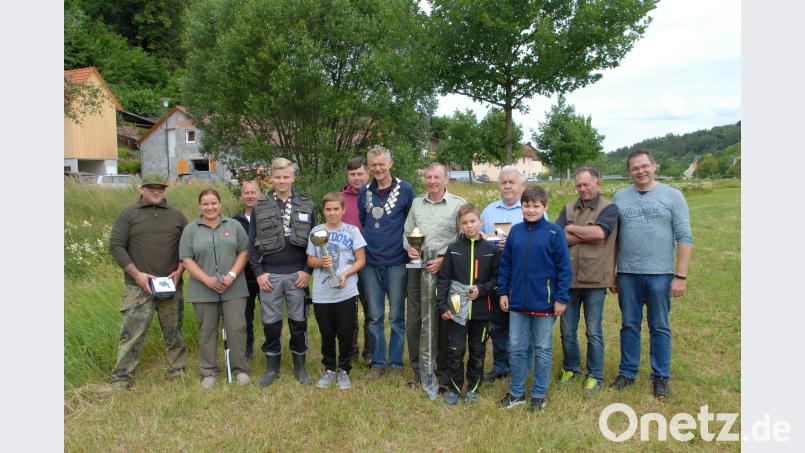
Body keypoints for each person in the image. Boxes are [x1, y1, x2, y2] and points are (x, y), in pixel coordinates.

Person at [610, 150, 693, 401]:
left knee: (659, 326)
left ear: (654, 166)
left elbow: (684, 237)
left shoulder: (673, 196)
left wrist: (680, 277)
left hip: (660, 274)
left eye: (644, 166)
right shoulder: (620, 198)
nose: (640, 171)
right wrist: (612, 272)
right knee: (629, 324)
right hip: (628, 273)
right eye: (635, 168)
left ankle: (661, 377)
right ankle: (627, 372)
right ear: (629, 172)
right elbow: (614, 239)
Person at [107, 173, 188, 389]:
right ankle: (121, 378)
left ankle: (177, 373)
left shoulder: (177, 216)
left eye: (161, 188)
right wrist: (137, 275)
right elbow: (116, 246)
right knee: (132, 334)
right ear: (141, 189)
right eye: (151, 187)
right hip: (138, 287)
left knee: (174, 333)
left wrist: (179, 271)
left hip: (170, 285)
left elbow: (189, 247)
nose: (156, 191)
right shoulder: (128, 215)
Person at [497, 186, 571, 412]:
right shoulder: (516, 232)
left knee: (542, 348)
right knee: (516, 347)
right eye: (527, 205)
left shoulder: (555, 233)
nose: (531, 210)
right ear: (521, 207)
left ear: (545, 207)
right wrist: (503, 292)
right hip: (517, 302)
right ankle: (517, 393)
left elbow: (564, 268)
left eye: (536, 206)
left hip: (545, 303)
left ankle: (539, 395)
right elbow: (506, 265)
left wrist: (561, 298)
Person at [248, 157, 317, 386]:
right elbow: (251, 244)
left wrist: (307, 270)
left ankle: (300, 368)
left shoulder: (307, 204)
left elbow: (315, 241)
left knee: (299, 322)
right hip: (270, 276)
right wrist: (259, 272)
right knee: (271, 323)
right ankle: (272, 369)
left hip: (298, 275)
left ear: (293, 177)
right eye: (277, 177)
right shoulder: (260, 206)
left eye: (286, 176)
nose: (282, 181)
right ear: (271, 179)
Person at [402, 162, 465, 399]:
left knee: (443, 321)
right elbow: (407, 233)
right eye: (428, 177)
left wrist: (443, 260)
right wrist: (410, 248)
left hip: (444, 271)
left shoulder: (458, 205)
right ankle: (420, 373)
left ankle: (442, 376)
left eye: (437, 177)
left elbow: (463, 239)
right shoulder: (417, 203)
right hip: (417, 269)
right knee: (415, 319)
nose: (432, 181)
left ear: (446, 179)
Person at [554, 167, 619, 395]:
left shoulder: (609, 208)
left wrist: (571, 228)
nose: (582, 189)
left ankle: (595, 374)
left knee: (593, 330)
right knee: (567, 330)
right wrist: (585, 233)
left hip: (595, 279)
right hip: (568, 280)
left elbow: (600, 235)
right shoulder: (568, 208)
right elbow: (557, 237)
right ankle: (571, 369)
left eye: (586, 184)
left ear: (597, 183)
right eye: (579, 185)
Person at [180, 188, 251, 389]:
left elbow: (244, 251)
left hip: (234, 287)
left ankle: (240, 369)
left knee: (237, 328)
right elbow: (186, 258)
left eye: (213, 203)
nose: (210, 207)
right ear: (200, 206)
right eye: (205, 204)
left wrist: (231, 276)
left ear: (220, 204)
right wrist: (206, 280)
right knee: (207, 330)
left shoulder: (234, 225)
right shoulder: (191, 230)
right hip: (203, 289)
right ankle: (208, 371)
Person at [358, 145, 416, 380]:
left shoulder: (405, 189)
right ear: (369, 167)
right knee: (374, 317)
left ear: (390, 164)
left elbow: (412, 221)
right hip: (370, 264)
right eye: (373, 165)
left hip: (397, 263)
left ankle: (395, 364)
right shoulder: (365, 191)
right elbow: (364, 221)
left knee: (396, 317)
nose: (378, 168)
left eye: (382, 164)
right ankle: (378, 362)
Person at [436, 204, 499, 405]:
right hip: (456, 311)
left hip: (481, 311)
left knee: (477, 351)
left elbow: (497, 279)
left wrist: (482, 289)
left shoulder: (491, 250)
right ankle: (454, 389)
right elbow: (443, 280)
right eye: (464, 223)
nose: (469, 226)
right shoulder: (453, 250)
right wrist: (442, 306)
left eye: (473, 221)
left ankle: (473, 389)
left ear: (481, 222)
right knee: (455, 351)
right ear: (459, 225)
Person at [306, 192, 367, 390]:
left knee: (346, 332)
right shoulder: (316, 231)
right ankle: (329, 369)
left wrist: (345, 274)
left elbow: (361, 260)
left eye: (336, 209)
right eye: (328, 209)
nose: (332, 213)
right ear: (323, 210)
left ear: (343, 210)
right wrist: (321, 262)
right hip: (322, 293)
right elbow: (310, 260)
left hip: (346, 291)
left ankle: (344, 370)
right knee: (327, 333)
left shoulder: (352, 231)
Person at [478, 166, 533, 383]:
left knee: (523, 323)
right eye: (503, 182)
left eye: (512, 182)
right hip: (495, 274)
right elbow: (479, 237)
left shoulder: (530, 208)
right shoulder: (489, 211)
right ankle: (501, 366)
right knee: (497, 323)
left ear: (522, 185)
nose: (507, 186)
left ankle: (522, 366)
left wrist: (513, 243)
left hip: (523, 275)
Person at [341, 157, 372, 364]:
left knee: (371, 310)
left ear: (367, 174)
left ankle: (370, 353)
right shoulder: (340, 199)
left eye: (360, 173)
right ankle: (350, 351)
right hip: (346, 265)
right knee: (348, 312)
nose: (356, 178)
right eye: (352, 174)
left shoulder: (375, 195)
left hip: (370, 263)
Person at [234, 180, 262, 359]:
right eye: (247, 192)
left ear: (259, 194)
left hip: (266, 275)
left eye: (253, 192)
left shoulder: (268, 217)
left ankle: (271, 351)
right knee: (245, 318)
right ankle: (247, 351)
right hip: (244, 278)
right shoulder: (235, 221)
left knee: (270, 317)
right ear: (242, 195)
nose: (250, 196)